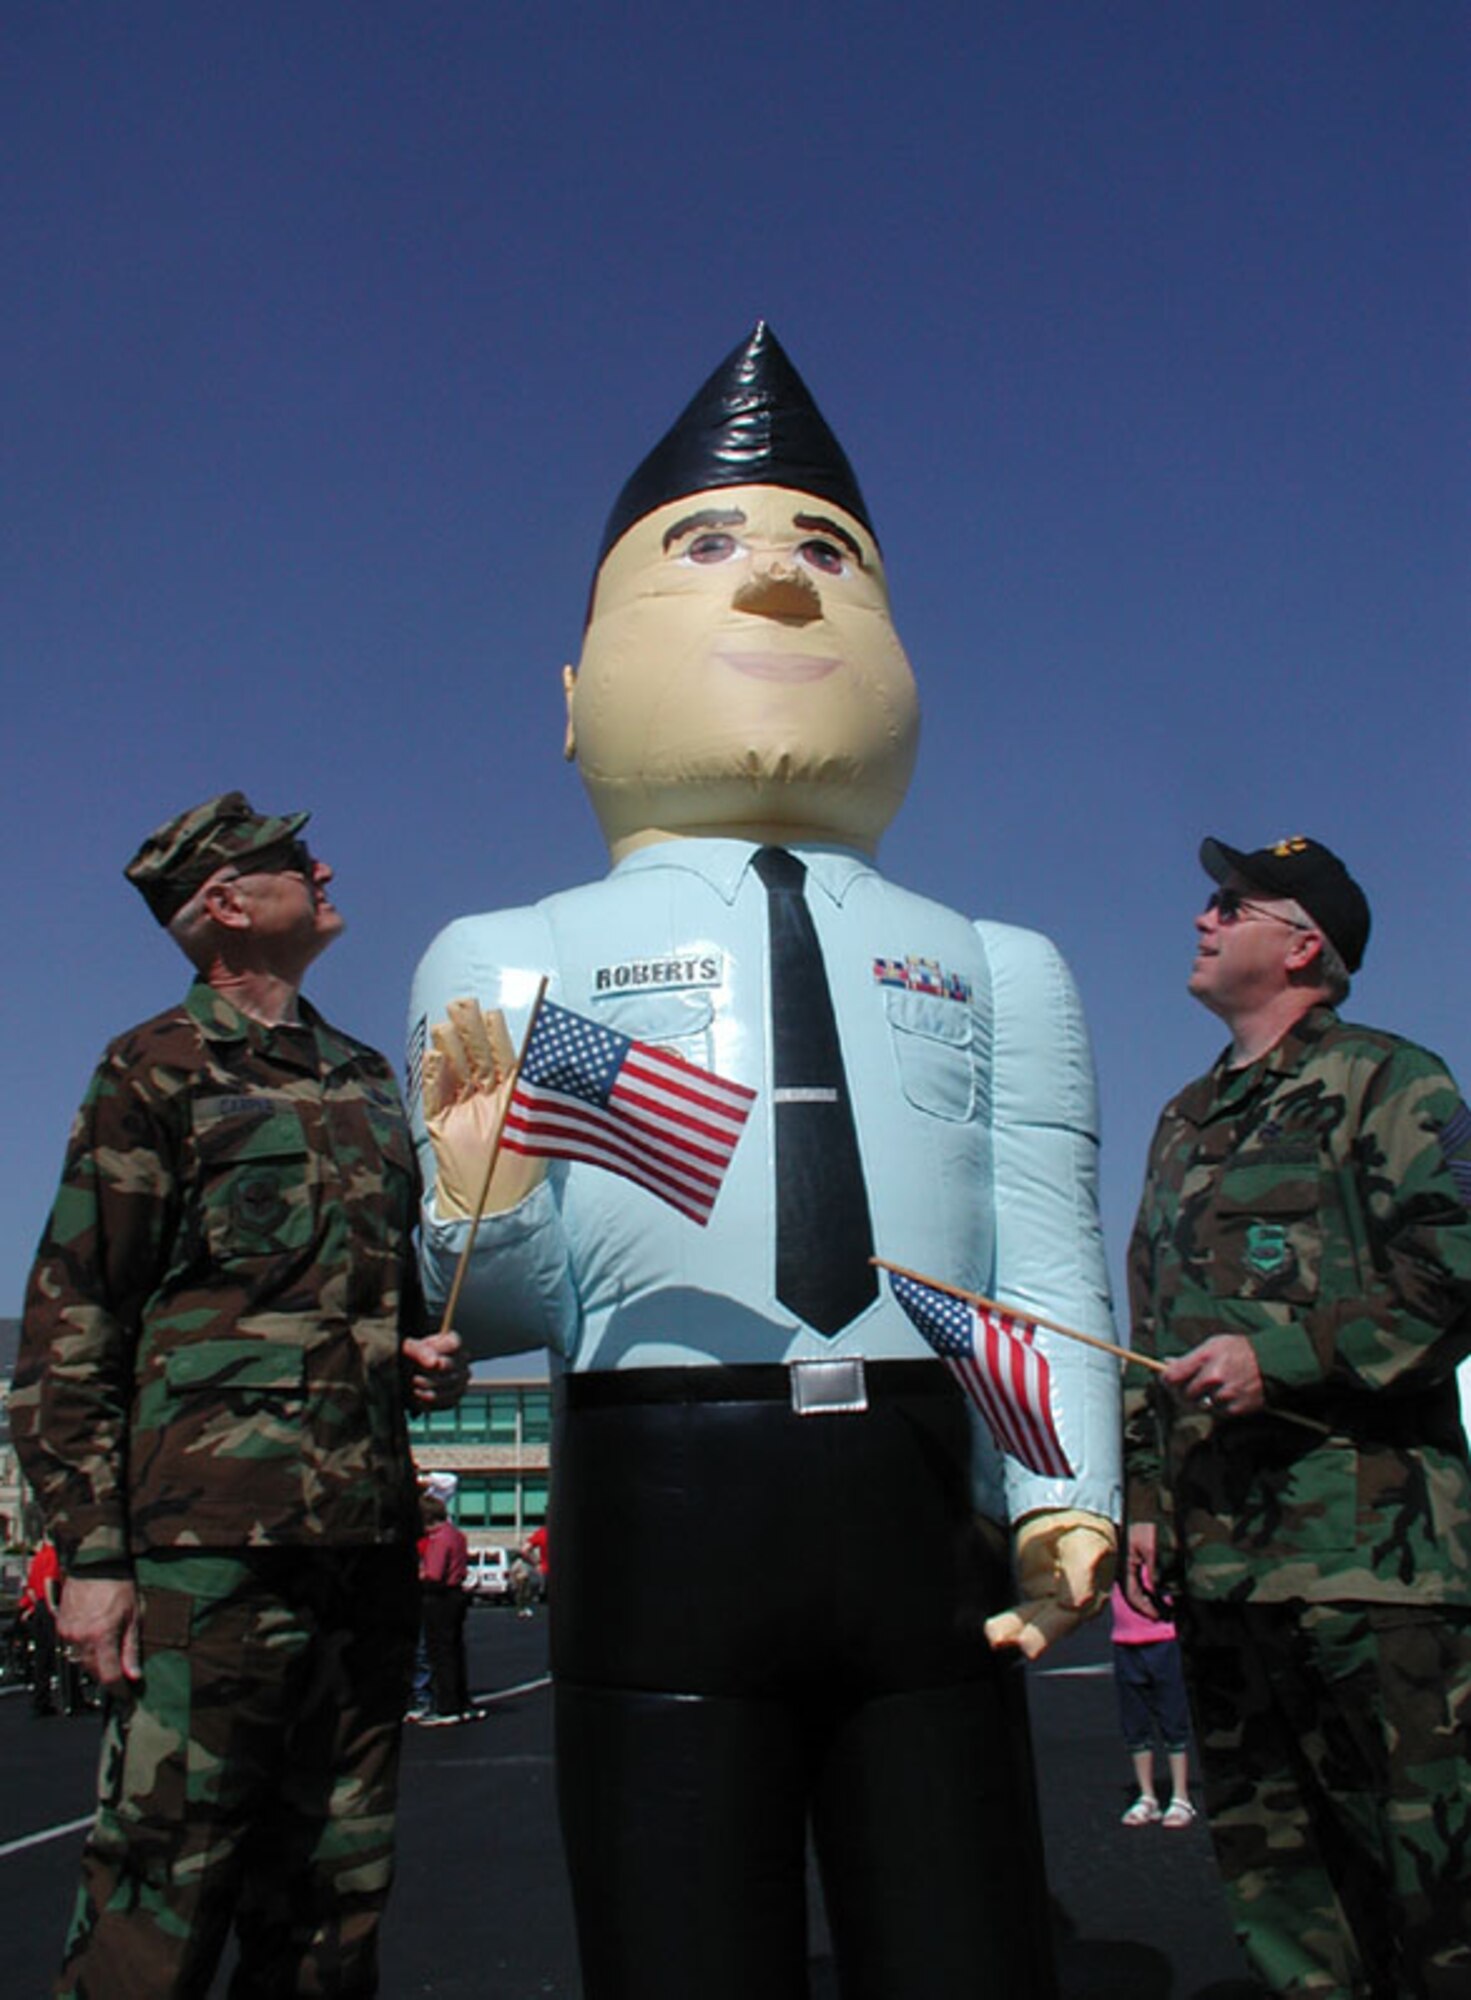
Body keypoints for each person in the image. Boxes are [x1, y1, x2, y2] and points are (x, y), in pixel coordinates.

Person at [410, 325, 1122, 1999]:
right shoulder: (506, 953)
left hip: (914, 1481)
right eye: (708, 548)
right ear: (576, 698)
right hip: (663, 1484)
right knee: (677, 1933)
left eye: (830, 554)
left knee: (961, 1925)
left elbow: (1039, 1251)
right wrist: (479, 1194)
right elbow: (502, 1307)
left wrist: (1067, 1488)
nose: (785, 588)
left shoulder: (996, 958)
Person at [10, 791, 468, 1999]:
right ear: (224, 902)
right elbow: (74, 1318)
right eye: (286, 862)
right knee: (163, 1875)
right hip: (206, 1554)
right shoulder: (151, 1068)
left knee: (335, 1884)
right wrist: (92, 1557)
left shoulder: (368, 1080)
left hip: (363, 1537)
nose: (321, 868)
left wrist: (416, 1348)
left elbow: (367, 1302)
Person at [1123, 833, 1471, 1998]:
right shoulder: (1182, 1119)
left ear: (1301, 943)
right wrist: (1142, 1503)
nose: (1201, 919)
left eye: (1230, 903)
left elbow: (1453, 1271)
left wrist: (1279, 1355)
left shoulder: (1389, 1080)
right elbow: (1149, 1332)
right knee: (1279, 1885)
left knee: (1433, 1882)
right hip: (1224, 1569)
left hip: (1369, 1567)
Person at [1109, 1572, 1193, 1829]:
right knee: (1134, 1723)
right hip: (1125, 1640)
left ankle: (1181, 1796)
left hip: (1163, 1638)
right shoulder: (1115, 1552)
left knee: (1172, 1718)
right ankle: (1147, 1796)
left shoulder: (1155, 1545)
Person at [416, 1489, 473, 1724]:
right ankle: (461, 1702)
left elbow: (434, 1574)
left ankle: (446, 1706)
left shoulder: (439, 1539)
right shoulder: (457, 1535)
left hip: (439, 1598)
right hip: (457, 1594)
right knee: (455, 1649)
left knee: (440, 1653)